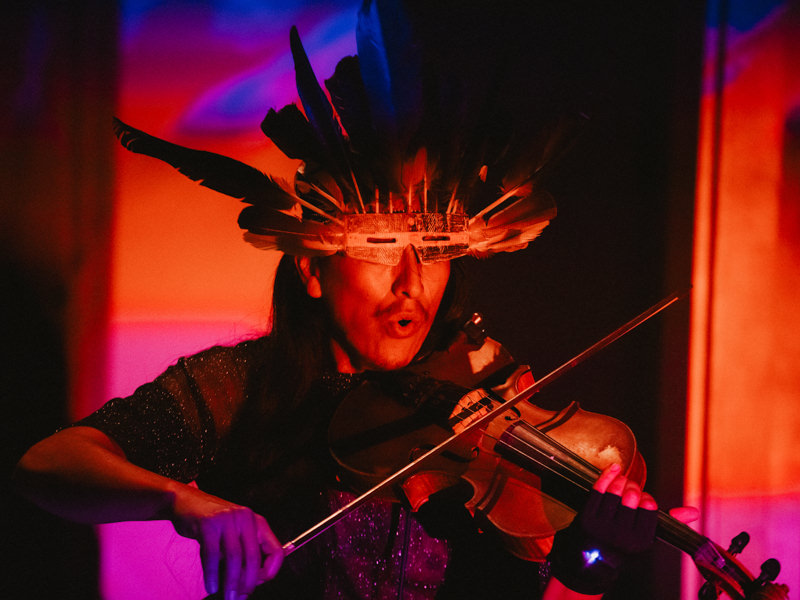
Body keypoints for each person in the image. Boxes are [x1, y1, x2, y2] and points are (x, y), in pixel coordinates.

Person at [13, 2, 687, 599]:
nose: (410, 281)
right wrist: (181, 500)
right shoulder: (241, 388)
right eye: (379, 247)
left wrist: (591, 563)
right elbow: (47, 466)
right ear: (312, 268)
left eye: (436, 250)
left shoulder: (486, 388)